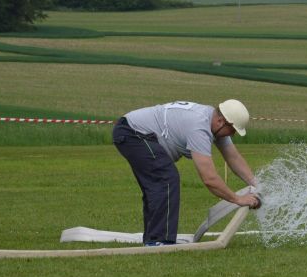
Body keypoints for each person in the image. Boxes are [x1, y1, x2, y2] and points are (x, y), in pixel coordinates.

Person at [112, 99, 261, 246]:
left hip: (133, 131)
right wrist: (238, 199)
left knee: (159, 184)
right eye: (233, 130)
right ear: (221, 122)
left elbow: (233, 157)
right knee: (166, 179)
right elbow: (209, 178)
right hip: (133, 133)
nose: (233, 134)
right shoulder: (199, 128)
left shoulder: (212, 122)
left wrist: (257, 184)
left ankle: (154, 239)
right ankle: (159, 241)